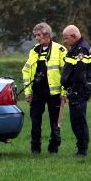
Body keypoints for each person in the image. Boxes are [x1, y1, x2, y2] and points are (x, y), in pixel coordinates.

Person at [22, 22, 67, 154]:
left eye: (39, 35)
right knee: (35, 121)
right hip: (37, 92)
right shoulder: (34, 51)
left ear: (47, 35)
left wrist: (64, 93)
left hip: (54, 92)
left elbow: (66, 73)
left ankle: (53, 149)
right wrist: (27, 91)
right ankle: (35, 149)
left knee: (55, 122)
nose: (36, 38)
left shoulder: (60, 50)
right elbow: (26, 71)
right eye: (35, 35)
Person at [61, 25, 91, 157]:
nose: (64, 41)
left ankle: (82, 150)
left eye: (66, 38)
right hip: (75, 90)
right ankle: (81, 147)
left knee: (79, 121)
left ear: (74, 36)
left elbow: (80, 74)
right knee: (75, 120)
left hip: (78, 90)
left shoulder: (82, 50)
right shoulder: (76, 48)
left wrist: (74, 90)